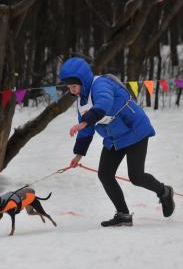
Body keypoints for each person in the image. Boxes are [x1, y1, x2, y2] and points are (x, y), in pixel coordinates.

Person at [59, 57, 175, 227]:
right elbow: (86, 130)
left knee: (136, 177)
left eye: (74, 86)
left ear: (84, 81)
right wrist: (78, 155)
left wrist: (84, 121)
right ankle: (123, 214)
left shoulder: (101, 85)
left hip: (135, 131)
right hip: (114, 138)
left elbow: (104, 103)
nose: (72, 91)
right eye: (69, 87)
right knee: (105, 174)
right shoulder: (82, 100)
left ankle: (164, 192)